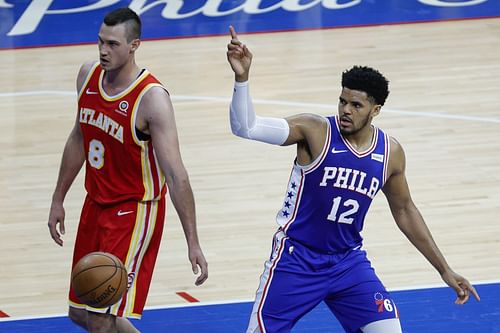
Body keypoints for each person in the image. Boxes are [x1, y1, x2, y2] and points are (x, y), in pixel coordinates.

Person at [226, 26, 480, 333]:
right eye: (342, 101)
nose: (345, 110)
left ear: (376, 110)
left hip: (348, 263)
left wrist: (444, 269)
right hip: (297, 260)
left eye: (356, 105)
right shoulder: (315, 130)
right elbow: (247, 127)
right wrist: (242, 79)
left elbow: (405, 210)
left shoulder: (390, 153)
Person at [47, 8, 208, 333]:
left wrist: (193, 241)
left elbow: (177, 176)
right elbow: (79, 137)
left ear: (134, 44)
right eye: (100, 42)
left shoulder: (152, 99)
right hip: (95, 205)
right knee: (79, 312)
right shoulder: (87, 75)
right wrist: (58, 198)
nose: (104, 51)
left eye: (113, 44)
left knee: (100, 317)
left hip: (135, 213)